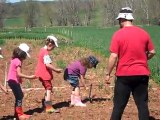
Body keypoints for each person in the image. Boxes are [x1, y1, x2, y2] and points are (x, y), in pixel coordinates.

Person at [105, 7, 156, 120]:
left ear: (122, 19)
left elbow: (113, 56)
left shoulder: (118, 34)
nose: (119, 22)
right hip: (142, 74)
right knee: (142, 104)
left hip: (124, 75)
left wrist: (108, 73)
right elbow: (152, 52)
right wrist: (143, 59)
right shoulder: (144, 33)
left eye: (119, 20)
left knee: (118, 106)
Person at [35, 35, 62, 113]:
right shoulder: (45, 52)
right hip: (45, 74)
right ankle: (49, 108)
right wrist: (56, 70)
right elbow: (47, 64)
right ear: (50, 44)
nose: (53, 48)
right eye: (53, 46)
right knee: (49, 89)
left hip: (41, 74)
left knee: (47, 89)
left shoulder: (41, 50)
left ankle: (46, 106)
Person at [7, 43, 36, 120]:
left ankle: (17, 114)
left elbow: (14, 72)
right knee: (19, 96)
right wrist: (30, 77)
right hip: (13, 81)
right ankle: (19, 115)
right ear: (22, 54)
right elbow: (19, 73)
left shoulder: (14, 59)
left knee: (19, 96)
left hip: (11, 80)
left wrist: (19, 79)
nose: (26, 57)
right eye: (25, 55)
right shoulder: (18, 61)